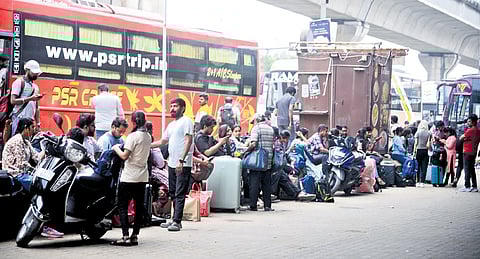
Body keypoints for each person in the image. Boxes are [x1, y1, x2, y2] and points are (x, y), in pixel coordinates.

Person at [111, 110, 151, 246]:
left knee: (123, 206)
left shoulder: (133, 136)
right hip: (142, 177)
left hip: (129, 177)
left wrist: (116, 148)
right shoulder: (148, 136)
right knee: (139, 207)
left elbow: (124, 156)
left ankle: (124, 236)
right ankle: (134, 236)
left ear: (133, 121)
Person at [154, 98, 194, 231]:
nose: (172, 108)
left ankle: (177, 221)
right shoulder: (171, 125)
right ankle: (172, 219)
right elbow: (163, 141)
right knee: (172, 192)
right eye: (171, 106)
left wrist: (182, 160)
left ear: (183, 108)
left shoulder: (186, 121)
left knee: (179, 192)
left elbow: (188, 140)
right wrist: (146, 144)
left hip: (182, 163)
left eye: (175, 106)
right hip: (171, 163)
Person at [246, 113, 275, 212]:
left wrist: (246, 151)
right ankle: (267, 205)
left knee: (254, 183)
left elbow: (253, 143)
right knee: (266, 184)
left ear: (256, 120)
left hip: (258, 161)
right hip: (268, 160)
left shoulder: (256, 128)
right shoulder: (270, 129)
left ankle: (253, 205)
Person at [10, 60, 43, 136]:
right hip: (19, 119)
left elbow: (37, 108)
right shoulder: (19, 82)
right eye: (34, 73)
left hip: (30, 122)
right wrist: (30, 98)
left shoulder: (35, 87)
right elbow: (13, 100)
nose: (36, 75)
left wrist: (38, 124)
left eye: (37, 73)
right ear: (27, 70)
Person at [458, 114, 480, 192]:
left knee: (467, 169)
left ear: (474, 122)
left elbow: (461, 137)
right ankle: (474, 186)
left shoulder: (470, 130)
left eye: (469, 121)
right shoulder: (478, 131)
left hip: (467, 152)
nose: (468, 123)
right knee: (472, 169)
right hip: (473, 152)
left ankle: (467, 185)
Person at [414, 120, 431, 188]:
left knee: (418, 166)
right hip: (425, 151)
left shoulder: (418, 132)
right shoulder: (429, 133)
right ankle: (422, 182)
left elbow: (416, 143)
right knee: (424, 167)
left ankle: (417, 181)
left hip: (418, 150)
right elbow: (430, 143)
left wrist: (414, 152)